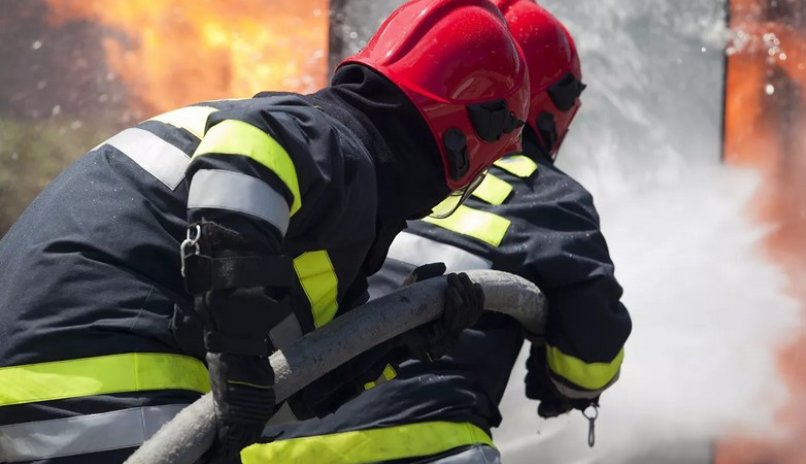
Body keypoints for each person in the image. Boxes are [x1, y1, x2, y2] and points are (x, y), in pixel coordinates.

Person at [0, 0, 530, 462]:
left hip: (43, 391)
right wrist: (236, 352)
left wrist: (397, 342)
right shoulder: (330, 142)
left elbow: (288, 393)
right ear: (467, 137)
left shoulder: (324, 204)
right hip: (98, 387)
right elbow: (246, 153)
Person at [246, 1, 632, 463]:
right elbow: (588, 364)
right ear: (549, 104)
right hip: (422, 449)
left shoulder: (355, 165)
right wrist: (560, 377)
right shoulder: (545, 196)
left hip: (263, 448)